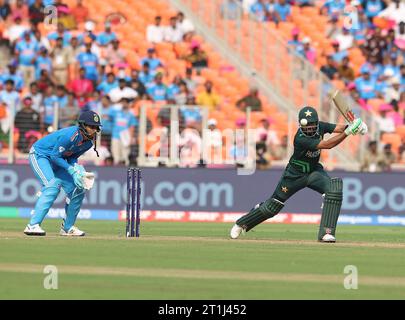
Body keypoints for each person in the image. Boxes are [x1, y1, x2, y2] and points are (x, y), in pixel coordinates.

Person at [230, 106, 367, 242]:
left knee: (334, 189)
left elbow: (339, 128)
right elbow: (327, 145)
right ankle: (241, 223)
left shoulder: (321, 126)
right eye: (306, 126)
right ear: (301, 125)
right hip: (294, 175)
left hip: (313, 172)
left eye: (313, 125)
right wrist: (349, 132)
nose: (310, 129)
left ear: (316, 122)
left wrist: (355, 126)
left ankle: (326, 233)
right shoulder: (300, 138)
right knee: (273, 206)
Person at [23, 111, 102, 237]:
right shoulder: (70, 135)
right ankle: (32, 225)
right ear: (82, 125)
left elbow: (71, 157)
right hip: (41, 155)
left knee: (78, 188)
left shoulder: (88, 143)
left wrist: (76, 169)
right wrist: (71, 170)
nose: (94, 130)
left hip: (58, 160)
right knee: (52, 185)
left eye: (96, 127)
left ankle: (67, 227)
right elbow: (54, 156)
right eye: (91, 126)